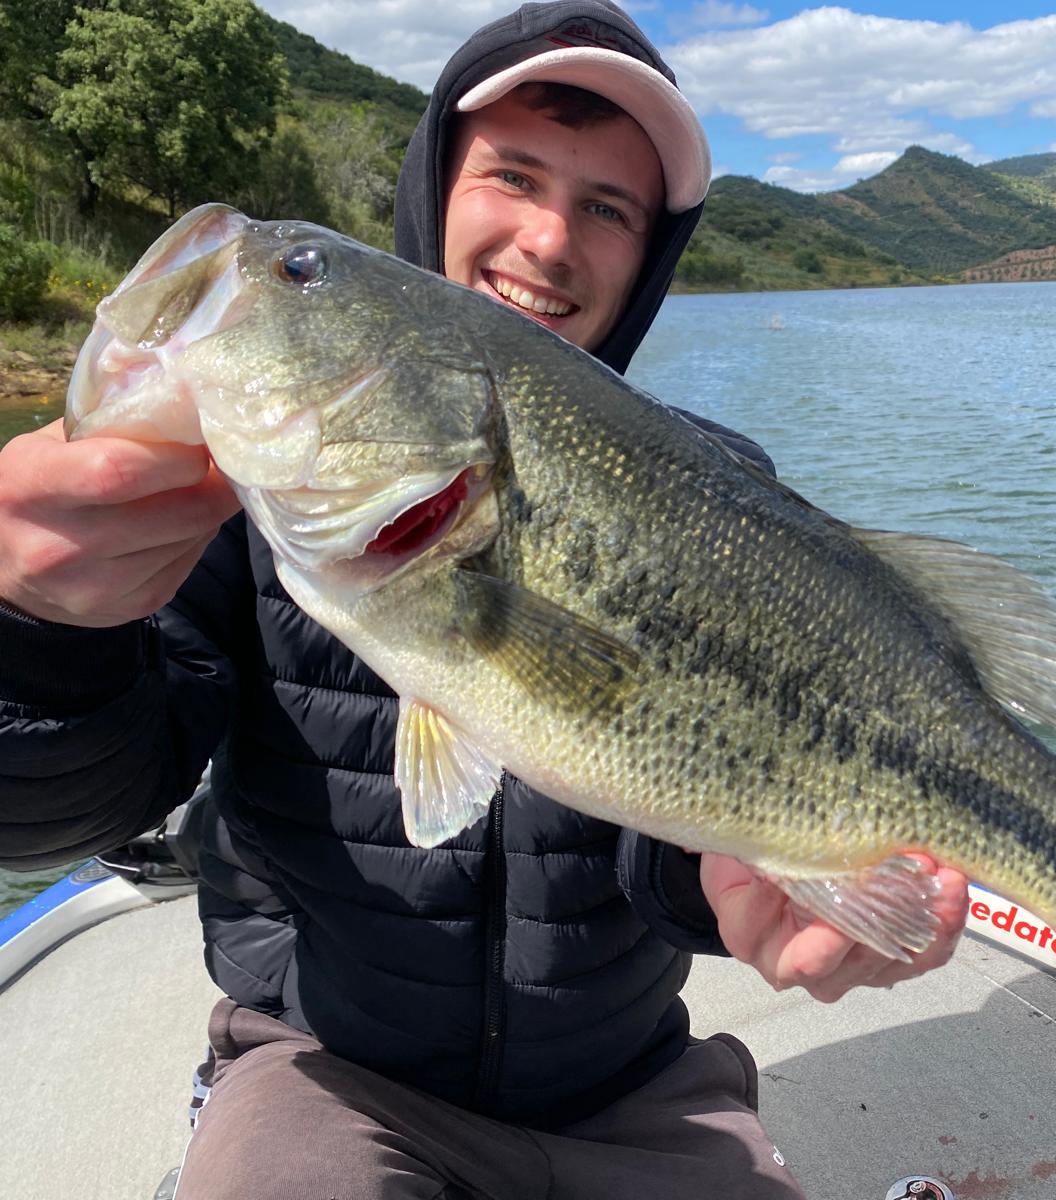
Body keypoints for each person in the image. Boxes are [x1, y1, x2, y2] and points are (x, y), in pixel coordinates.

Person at [0, 3, 969, 1197]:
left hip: (636, 1085)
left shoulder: (728, 496)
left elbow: (665, 811)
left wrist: (737, 876)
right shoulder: (228, 505)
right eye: (512, 175)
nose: (551, 241)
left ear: (652, 254)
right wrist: (40, 640)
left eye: (608, 208)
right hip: (323, 1069)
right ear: (430, 196)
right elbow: (50, 820)